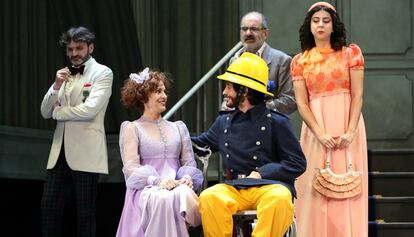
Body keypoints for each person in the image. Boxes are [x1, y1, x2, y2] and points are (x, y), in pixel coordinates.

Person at [192, 52, 306, 237]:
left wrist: (262, 172)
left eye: (229, 87)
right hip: (236, 187)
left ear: (244, 91)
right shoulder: (224, 122)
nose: (224, 92)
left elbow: (297, 163)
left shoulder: (276, 122)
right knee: (209, 197)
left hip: (270, 185)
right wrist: (169, 132)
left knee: (280, 198)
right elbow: (199, 144)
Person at [290, 2, 368, 237]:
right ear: (310, 26)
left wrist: (351, 130)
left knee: (348, 185)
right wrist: (320, 133)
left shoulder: (350, 54)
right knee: (315, 188)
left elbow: (358, 95)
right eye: (316, 21)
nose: (321, 25)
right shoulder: (300, 61)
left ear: (334, 25)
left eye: (326, 20)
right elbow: (302, 104)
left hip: (347, 127)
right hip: (316, 130)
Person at [40, 26, 113, 237]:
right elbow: (45, 111)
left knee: (85, 213)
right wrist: (56, 85)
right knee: (49, 207)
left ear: (91, 47)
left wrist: (60, 113)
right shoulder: (63, 74)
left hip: (86, 152)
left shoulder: (103, 72)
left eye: (79, 48)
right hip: (59, 152)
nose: (74, 53)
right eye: (70, 49)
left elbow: (90, 110)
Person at [116, 68, 203, 237]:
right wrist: (157, 181)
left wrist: (186, 177)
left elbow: (188, 163)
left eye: (164, 91)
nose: (164, 96)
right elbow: (131, 168)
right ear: (143, 97)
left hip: (176, 186)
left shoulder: (178, 127)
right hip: (146, 189)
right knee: (163, 199)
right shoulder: (132, 128)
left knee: (181, 193)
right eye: (158, 91)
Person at [223, 11, 296, 115]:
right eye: (244, 29)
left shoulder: (282, 61)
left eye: (254, 29)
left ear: (265, 33)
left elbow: (290, 100)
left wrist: (255, 109)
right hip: (238, 124)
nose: (248, 33)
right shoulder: (234, 60)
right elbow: (230, 94)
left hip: (269, 125)